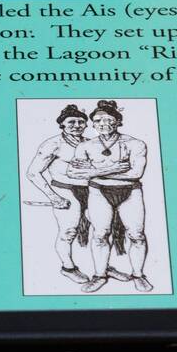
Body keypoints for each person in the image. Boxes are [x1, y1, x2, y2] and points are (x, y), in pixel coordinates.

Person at [62, 100, 152, 293]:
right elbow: (72, 172)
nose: (103, 124)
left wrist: (92, 170)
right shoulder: (86, 146)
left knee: (136, 235)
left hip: (130, 191)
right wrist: (110, 168)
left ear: (118, 121)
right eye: (97, 120)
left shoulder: (135, 143)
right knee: (100, 235)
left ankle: (138, 275)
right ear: (93, 124)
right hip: (99, 192)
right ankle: (100, 275)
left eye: (108, 119)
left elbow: (135, 173)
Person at [25, 104, 94, 284]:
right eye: (71, 122)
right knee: (69, 231)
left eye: (81, 122)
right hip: (65, 190)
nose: (77, 125)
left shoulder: (91, 143)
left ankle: (103, 267)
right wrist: (54, 197)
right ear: (62, 125)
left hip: (92, 191)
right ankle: (68, 267)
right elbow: (32, 173)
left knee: (102, 230)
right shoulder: (53, 144)